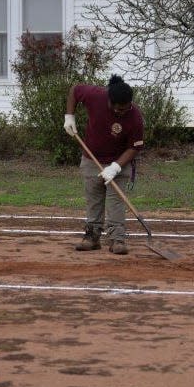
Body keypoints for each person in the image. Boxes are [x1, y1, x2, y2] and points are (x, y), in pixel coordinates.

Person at [64, 75, 144, 255]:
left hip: (120, 162)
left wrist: (115, 167)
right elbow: (74, 91)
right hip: (92, 160)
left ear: (130, 103)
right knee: (94, 200)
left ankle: (117, 239)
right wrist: (69, 117)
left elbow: (134, 148)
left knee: (116, 202)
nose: (119, 112)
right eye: (115, 108)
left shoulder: (135, 117)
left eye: (123, 109)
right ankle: (92, 237)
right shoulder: (95, 95)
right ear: (108, 99)